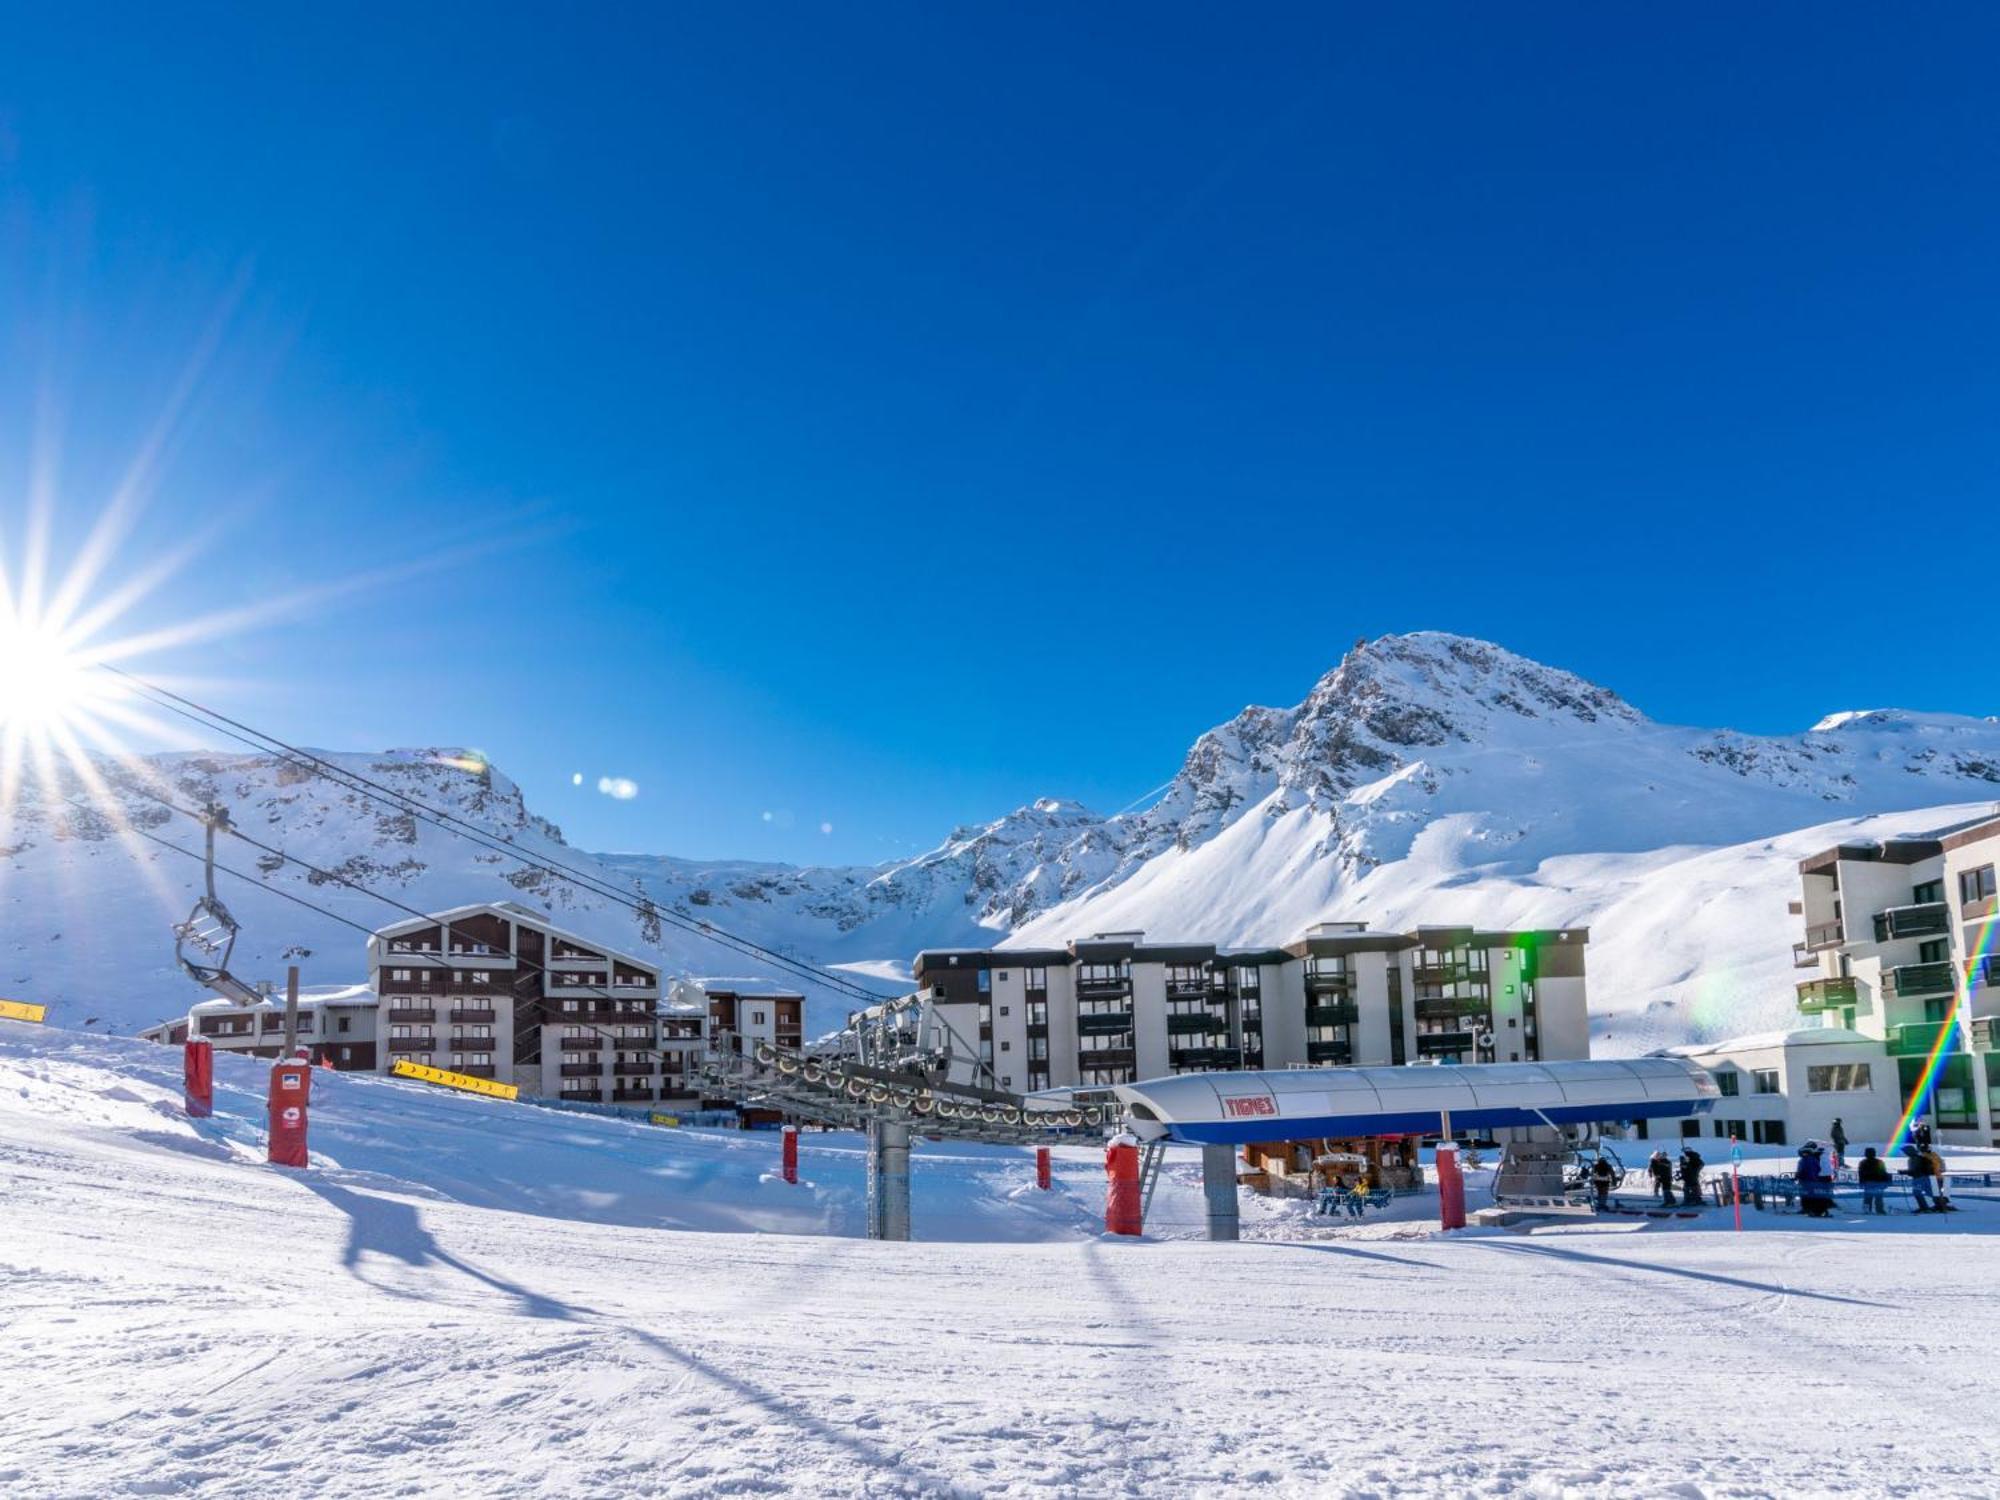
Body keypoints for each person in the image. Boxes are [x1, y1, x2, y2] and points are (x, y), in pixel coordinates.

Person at [1795, 1141, 1834, 1218]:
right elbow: (1817, 1169)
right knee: (1816, 1195)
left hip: (1809, 1180)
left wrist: (1799, 1176)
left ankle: (1814, 1210)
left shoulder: (1806, 1160)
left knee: (1811, 1196)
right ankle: (1817, 1210)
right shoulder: (1813, 1159)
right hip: (1814, 1179)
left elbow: (1804, 1171)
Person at [1902, 1142, 1939, 1213]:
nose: (1905, 1153)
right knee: (1929, 1192)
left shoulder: (1915, 1159)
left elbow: (1915, 1170)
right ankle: (1939, 1205)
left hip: (1919, 1178)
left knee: (1917, 1192)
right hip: (1923, 1177)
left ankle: (1925, 1207)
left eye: (1906, 1152)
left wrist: (1905, 1172)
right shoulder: (1915, 1158)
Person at [1856, 1147, 1891, 1215]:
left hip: (1871, 1182)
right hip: (1876, 1182)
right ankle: (1879, 1210)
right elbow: (1884, 1172)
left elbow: (1861, 1173)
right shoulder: (1879, 1162)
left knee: (1869, 1197)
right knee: (1876, 1197)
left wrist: (1861, 1182)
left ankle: (1868, 1210)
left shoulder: (1863, 1162)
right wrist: (1886, 1182)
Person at [1926, 1147, 1955, 1212]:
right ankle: (1941, 1205)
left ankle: (1941, 1206)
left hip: (1935, 1177)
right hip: (1938, 1177)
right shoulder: (1936, 1157)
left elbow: (1941, 1168)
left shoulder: (1930, 1157)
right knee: (1938, 1192)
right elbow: (1943, 1168)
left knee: (1937, 1192)